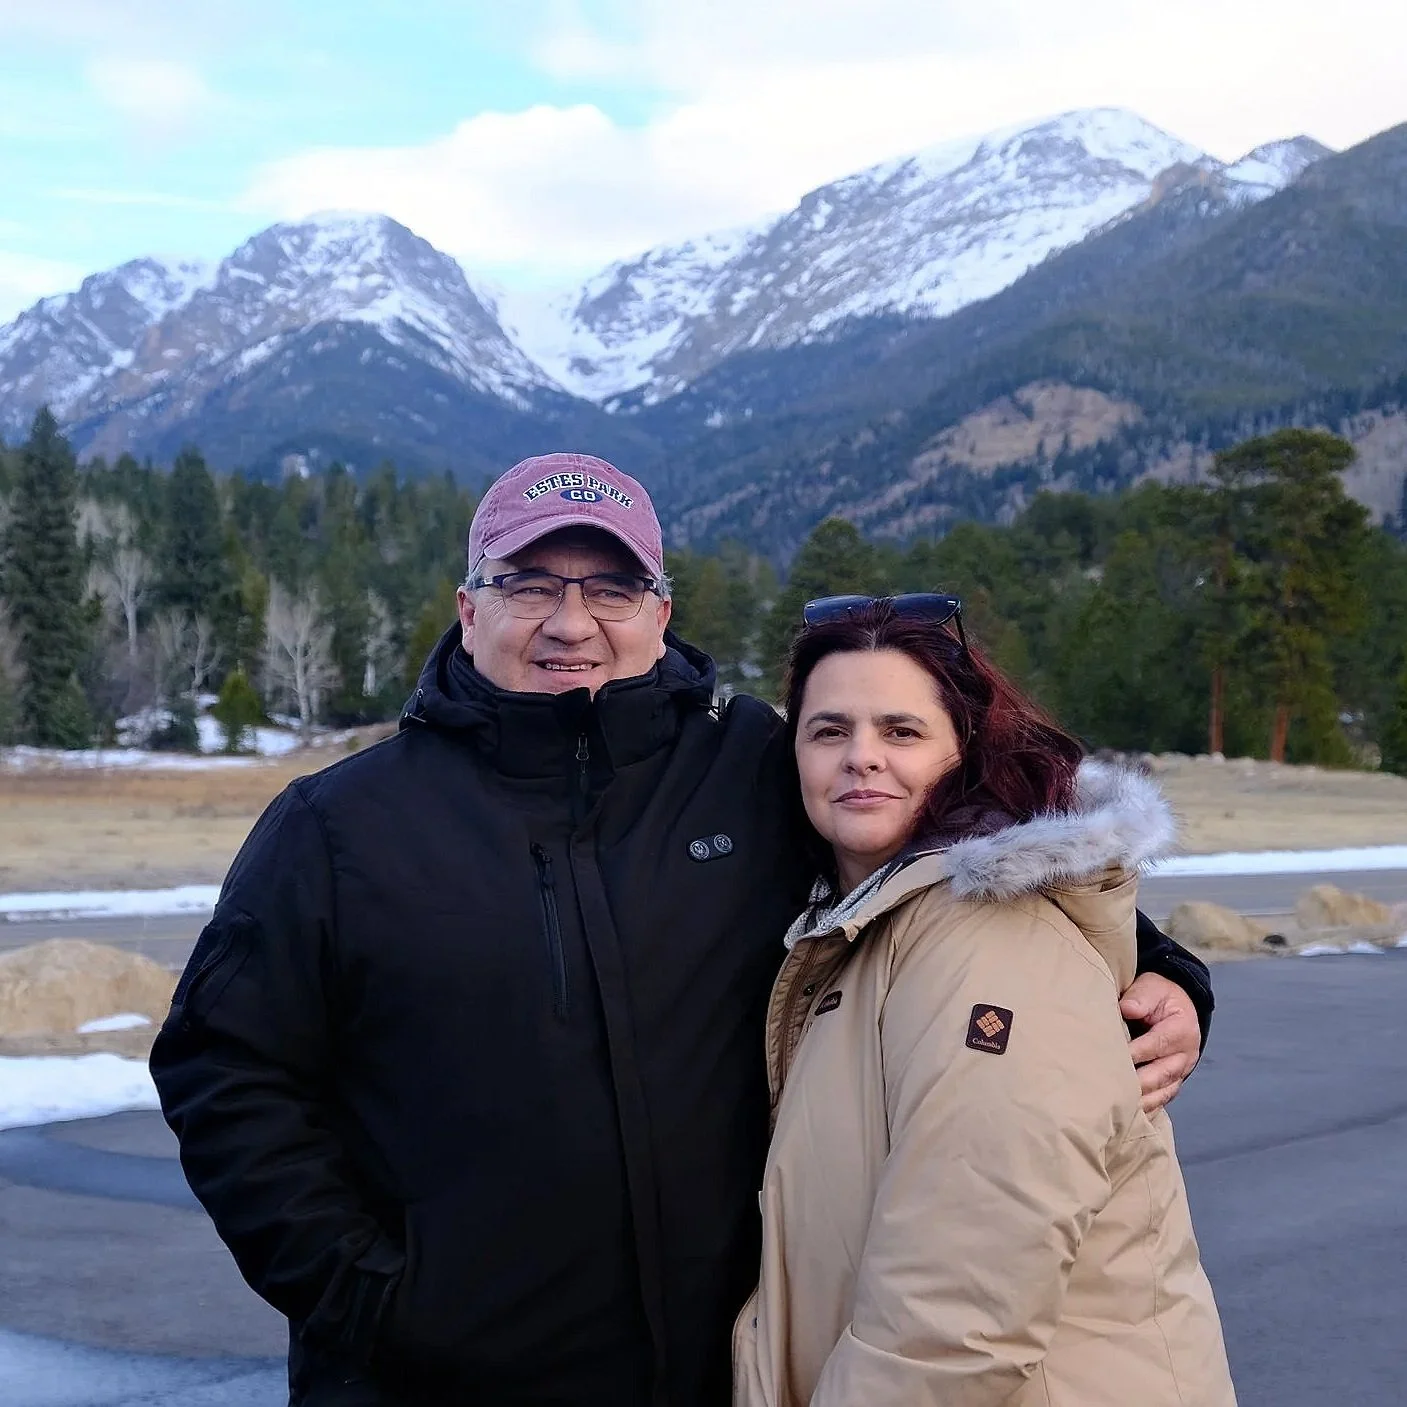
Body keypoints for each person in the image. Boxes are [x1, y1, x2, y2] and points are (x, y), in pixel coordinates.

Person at [151, 453, 1214, 1407]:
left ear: (661, 613)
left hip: (721, 1372)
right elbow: (223, 1072)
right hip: (429, 1381)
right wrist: (371, 1298)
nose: (571, 623)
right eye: (529, 584)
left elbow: (956, 861)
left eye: (610, 588)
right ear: (468, 609)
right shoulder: (339, 827)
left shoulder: (754, 766)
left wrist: (1160, 967)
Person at [733, 596, 1236, 1407]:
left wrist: (1177, 972)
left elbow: (958, 1313)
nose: (860, 756)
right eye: (828, 730)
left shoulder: (989, 944)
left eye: (901, 731)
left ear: (961, 752)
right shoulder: (860, 926)